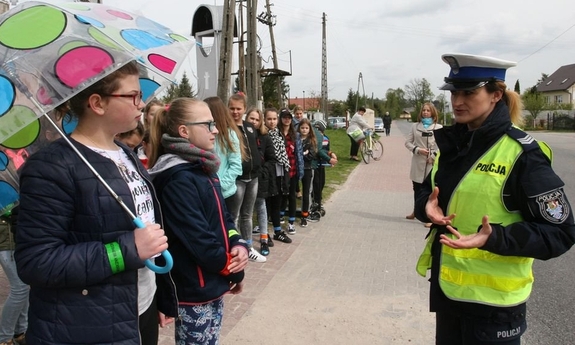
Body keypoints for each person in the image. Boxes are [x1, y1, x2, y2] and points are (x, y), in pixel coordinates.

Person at [415, 53, 575, 345]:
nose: (457, 101)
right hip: (449, 298)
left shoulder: (523, 154)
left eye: (469, 92)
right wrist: (426, 207)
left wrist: (494, 238)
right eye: (454, 92)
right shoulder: (453, 145)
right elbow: (427, 192)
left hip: (495, 311)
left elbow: (561, 233)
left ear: (496, 95)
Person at [15, 60, 170, 345]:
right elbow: (36, 261)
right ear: (97, 103)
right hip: (86, 325)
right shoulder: (51, 167)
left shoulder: (126, 153)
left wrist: (159, 297)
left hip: (139, 309)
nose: (142, 103)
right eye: (133, 95)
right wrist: (125, 250)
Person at [147, 98, 249, 344]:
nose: (215, 130)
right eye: (208, 124)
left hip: (212, 280)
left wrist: (239, 246)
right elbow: (198, 240)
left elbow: (225, 219)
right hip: (194, 288)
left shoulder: (202, 169)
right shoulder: (178, 178)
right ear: (184, 131)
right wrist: (233, 271)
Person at [227, 93, 265, 263]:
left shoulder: (250, 126)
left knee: (247, 215)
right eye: (232, 108)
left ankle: (248, 247)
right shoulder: (226, 128)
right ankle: (234, 248)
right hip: (238, 179)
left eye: (238, 108)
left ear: (244, 109)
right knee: (233, 216)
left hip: (253, 177)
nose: (235, 111)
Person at [404, 102, 442, 228]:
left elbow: (442, 146)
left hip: (431, 163)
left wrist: (433, 156)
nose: (425, 112)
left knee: (431, 189)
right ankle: (416, 211)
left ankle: (429, 216)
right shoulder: (415, 126)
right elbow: (408, 143)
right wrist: (417, 149)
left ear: (433, 113)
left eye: (428, 110)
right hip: (418, 161)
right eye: (424, 110)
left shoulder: (438, 127)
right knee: (417, 188)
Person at [246, 107, 277, 255]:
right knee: (245, 211)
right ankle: (245, 241)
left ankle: (264, 239)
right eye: (252, 118)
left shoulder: (265, 137)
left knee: (261, 207)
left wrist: (262, 171)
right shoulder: (241, 134)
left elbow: (272, 159)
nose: (254, 121)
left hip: (260, 178)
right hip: (243, 178)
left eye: (257, 119)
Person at [204, 96, 245, 200]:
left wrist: (220, 186)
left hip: (226, 193)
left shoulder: (229, 135)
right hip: (208, 191)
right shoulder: (203, 134)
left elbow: (236, 166)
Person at [263, 108, 292, 244]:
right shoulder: (263, 134)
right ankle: (265, 233)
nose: (272, 122)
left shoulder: (278, 134)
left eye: (274, 119)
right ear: (264, 119)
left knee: (277, 202)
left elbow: (283, 155)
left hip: (280, 171)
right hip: (269, 173)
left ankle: (278, 231)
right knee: (267, 203)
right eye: (269, 119)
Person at [0, 207, 28, 345]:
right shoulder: (5, 192)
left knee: (24, 286)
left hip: (17, 242)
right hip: (5, 243)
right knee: (20, 288)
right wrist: (10, 210)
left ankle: (20, 331)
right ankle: (5, 338)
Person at [279, 108, 304, 235]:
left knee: (292, 195)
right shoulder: (277, 133)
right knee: (281, 194)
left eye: (289, 117)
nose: (287, 119)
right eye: (284, 117)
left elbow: (298, 153)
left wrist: (300, 170)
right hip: (280, 168)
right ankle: (280, 214)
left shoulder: (296, 135)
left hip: (293, 168)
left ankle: (291, 223)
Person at [312, 119, 337, 216]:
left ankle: (318, 201)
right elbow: (318, 151)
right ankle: (316, 202)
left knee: (321, 183)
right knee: (315, 184)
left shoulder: (326, 139)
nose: (319, 133)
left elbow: (326, 150)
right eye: (317, 130)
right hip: (315, 165)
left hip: (322, 165)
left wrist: (330, 158)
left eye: (320, 131)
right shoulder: (313, 138)